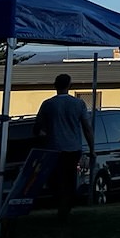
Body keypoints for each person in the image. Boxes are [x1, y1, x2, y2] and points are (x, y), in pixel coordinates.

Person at [33, 73, 96, 219]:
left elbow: (38, 126)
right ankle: (67, 205)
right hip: (73, 148)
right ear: (69, 86)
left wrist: (43, 134)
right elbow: (87, 128)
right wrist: (92, 149)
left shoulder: (48, 104)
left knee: (55, 179)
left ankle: (60, 204)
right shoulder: (78, 104)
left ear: (55, 86)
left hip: (54, 148)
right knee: (70, 178)